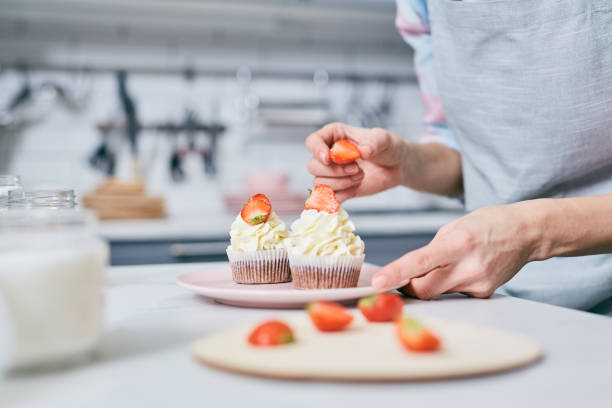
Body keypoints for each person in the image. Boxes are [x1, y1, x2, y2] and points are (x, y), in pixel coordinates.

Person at [305, 0, 612, 314]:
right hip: (498, 300)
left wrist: (530, 231)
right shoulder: (419, 6)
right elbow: (470, 160)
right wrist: (406, 163)